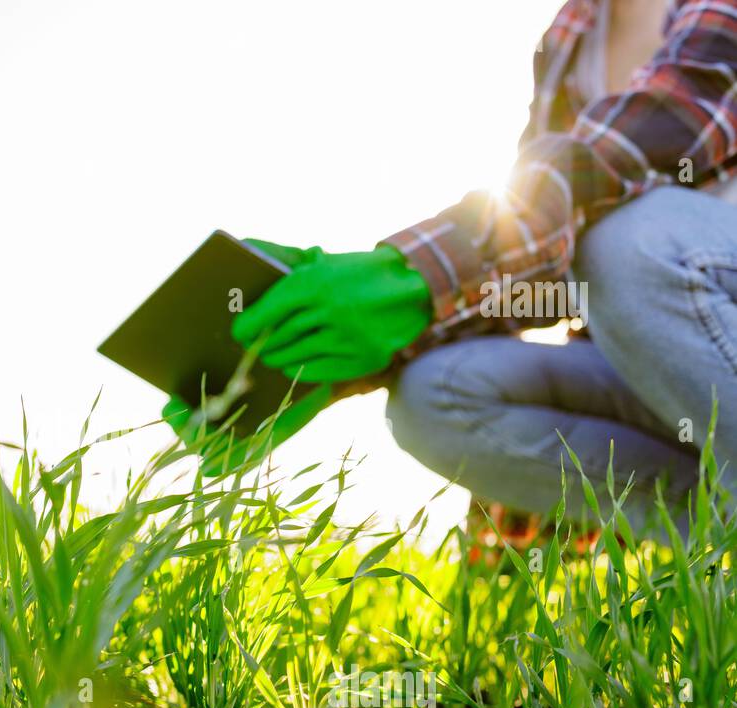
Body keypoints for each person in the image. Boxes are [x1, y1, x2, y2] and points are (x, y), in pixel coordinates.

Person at [169, 0, 737, 533]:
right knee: (434, 397)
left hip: (699, 284)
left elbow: (662, 127)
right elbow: (546, 263)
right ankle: (717, 548)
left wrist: (407, 275)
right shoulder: (572, 34)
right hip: (671, 370)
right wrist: (348, 359)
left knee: (631, 243)